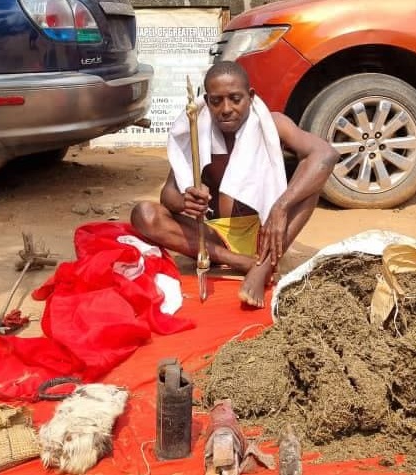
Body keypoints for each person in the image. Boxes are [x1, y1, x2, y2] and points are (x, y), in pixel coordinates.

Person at [131, 61, 338, 308]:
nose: (226, 109)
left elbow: (326, 155)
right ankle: (243, 263)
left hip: (267, 234)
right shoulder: (196, 129)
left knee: (310, 184)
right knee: (144, 214)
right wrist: (186, 200)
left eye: (235, 99)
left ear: (250, 96)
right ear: (207, 101)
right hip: (214, 237)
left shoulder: (273, 123)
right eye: (216, 101)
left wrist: (281, 207)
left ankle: (263, 266)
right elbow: (168, 195)